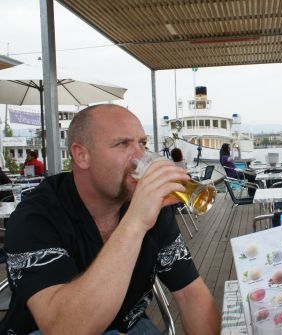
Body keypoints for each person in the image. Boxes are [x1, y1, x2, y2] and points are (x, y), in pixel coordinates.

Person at [0, 104, 220, 334]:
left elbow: (190, 293)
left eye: (142, 143)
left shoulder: (151, 205)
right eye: (122, 144)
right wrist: (135, 222)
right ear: (82, 155)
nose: (141, 156)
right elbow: (64, 327)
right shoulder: (36, 217)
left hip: (128, 325)